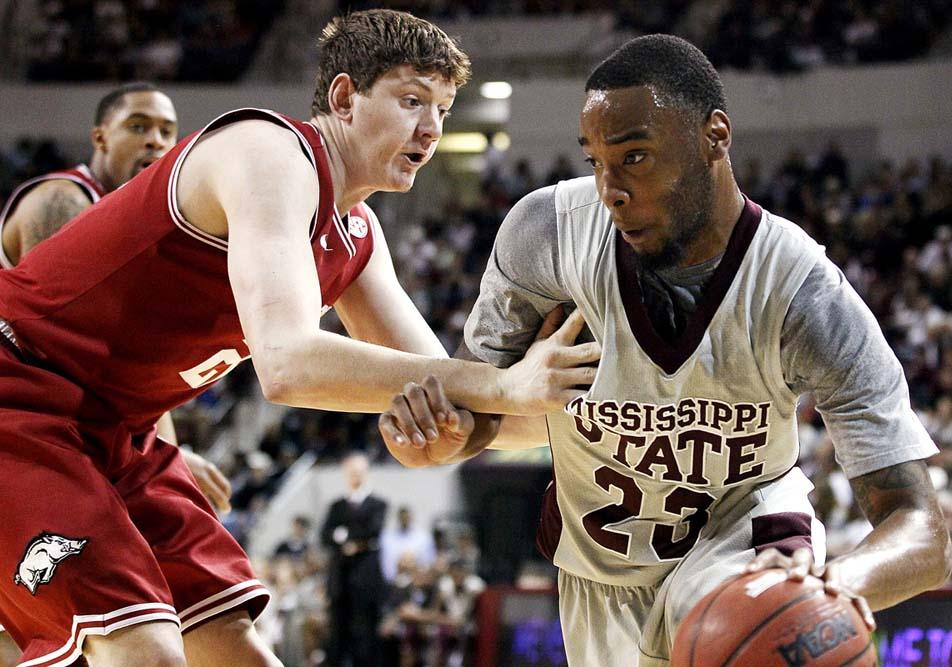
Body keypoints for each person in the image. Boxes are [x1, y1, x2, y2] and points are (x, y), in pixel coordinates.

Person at [0, 9, 597, 667]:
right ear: (344, 97)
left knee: (234, 646)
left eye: (443, 109)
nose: (432, 127)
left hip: (117, 427)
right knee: (144, 651)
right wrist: (501, 385)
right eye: (412, 100)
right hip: (21, 392)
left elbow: (453, 395)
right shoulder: (268, 153)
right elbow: (287, 364)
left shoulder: (358, 234)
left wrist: (574, 412)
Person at [377, 34, 951, 666]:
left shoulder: (802, 294)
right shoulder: (549, 234)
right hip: (601, 576)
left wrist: (829, 588)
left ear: (715, 137)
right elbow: (478, 406)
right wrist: (442, 438)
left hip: (747, 556)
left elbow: (921, 529)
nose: (610, 189)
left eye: (635, 157)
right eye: (596, 161)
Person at [0, 82, 230, 667]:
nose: (155, 140)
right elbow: (73, 354)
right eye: (138, 126)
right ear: (100, 138)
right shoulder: (63, 200)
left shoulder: (141, 228)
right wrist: (168, 453)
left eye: (167, 131)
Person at [320, 452, 389, 666]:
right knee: (338, 634)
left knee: (365, 634)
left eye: (359, 471)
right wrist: (350, 539)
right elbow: (324, 535)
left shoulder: (377, 503)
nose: (355, 475)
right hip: (340, 579)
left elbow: (372, 531)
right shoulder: (337, 505)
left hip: (366, 580)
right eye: (351, 472)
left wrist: (343, 535)